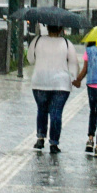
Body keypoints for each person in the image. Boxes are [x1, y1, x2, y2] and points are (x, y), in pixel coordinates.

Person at [27, 24, 80, 153]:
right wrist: (74, 78)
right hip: (60, 84)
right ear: (61, 29)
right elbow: (74, 63)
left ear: (48, 27)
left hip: (40, 81)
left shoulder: (37, 40)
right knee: (56, 113)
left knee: (42, 110)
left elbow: (30, 60)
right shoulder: (67, 44)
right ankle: (54, 144)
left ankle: (40, 138)